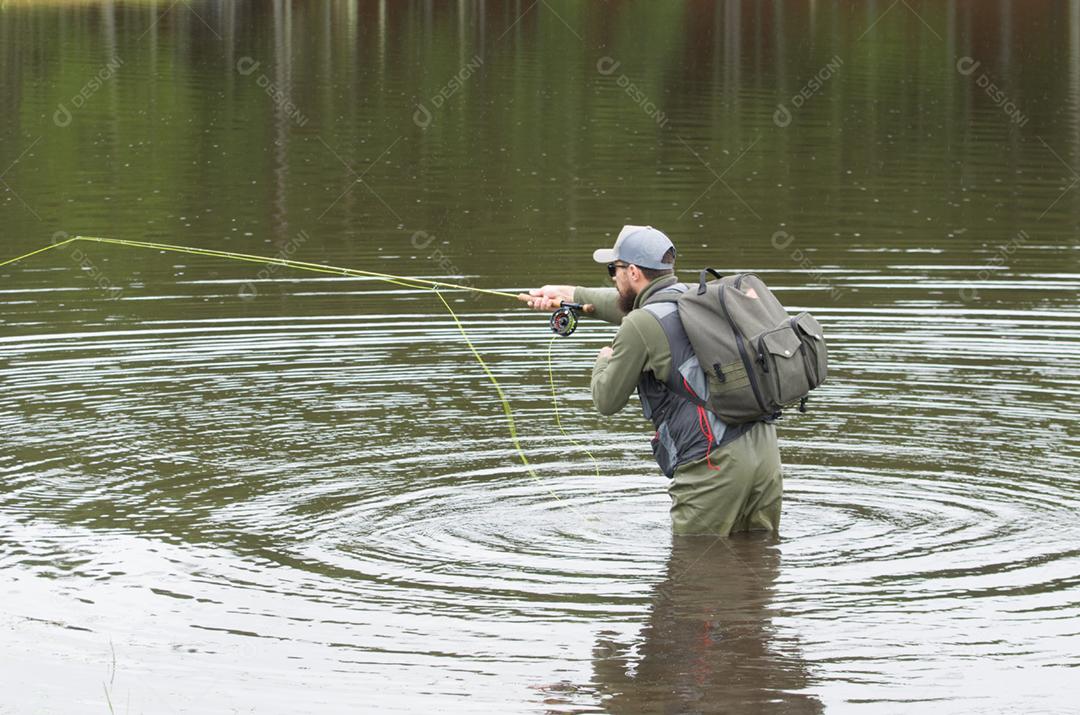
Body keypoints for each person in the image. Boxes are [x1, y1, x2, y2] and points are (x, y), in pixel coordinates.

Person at [517, 225, 783, 536]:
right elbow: (625, 305)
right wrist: (567, 295)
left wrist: (603, 359)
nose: (613, 279)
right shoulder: (694, 297)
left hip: (712, 465)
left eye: (613, 270)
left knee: (690, 576)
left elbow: (607, 399)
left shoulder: (640, 324)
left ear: (632, 272)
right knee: (758, 564)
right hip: (764, 454)